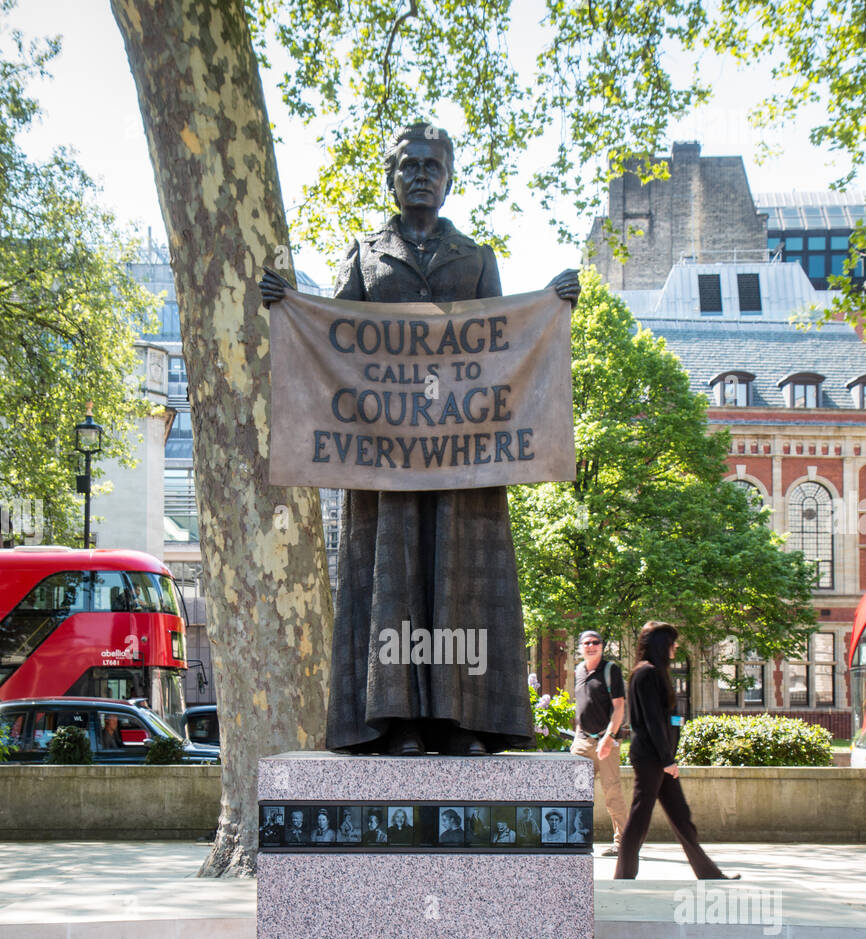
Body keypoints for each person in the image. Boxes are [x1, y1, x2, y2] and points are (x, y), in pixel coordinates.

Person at [260, 120, 578, 757]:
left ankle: (462, 722)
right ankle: (397, 719)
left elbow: (503, 342)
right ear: (392, 176)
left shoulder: (477, 258)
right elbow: (335, 341)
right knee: (394, 582)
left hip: (465, 461)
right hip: (387, 464)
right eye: (409, 165)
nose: (421, 175)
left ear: (449, 176)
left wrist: (549, 302)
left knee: (461, 581)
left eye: (432, 165)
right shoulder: (363, 255)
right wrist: (293, 305)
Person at [614, 622, 740, 881]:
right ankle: (623, 876)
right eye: (672, 642)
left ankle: (709, 874)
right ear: (662, 645)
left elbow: (663, 720)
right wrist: (666, 760)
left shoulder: (654, 673)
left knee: (681, 816)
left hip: (658, 756)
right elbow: (652, 722)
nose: (677, 646)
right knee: (640, 816)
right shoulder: (646, 673)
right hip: (652, 757)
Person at [570, 630, 628, 856]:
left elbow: (619, 707)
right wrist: (577, 735)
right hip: (583, 742)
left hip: (607, 742)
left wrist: (609, 737)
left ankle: (623, 844)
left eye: (596, 642)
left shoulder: (610, 670)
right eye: (587, 643)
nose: (591, 646)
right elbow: (582, 706)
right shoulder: (578, 671)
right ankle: (576, 838)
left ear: (602, 646)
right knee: (576, 791)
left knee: (612, 792)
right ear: (580, 647)